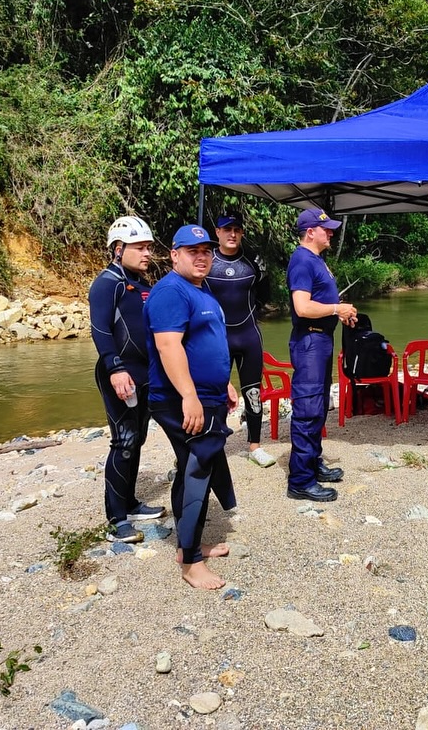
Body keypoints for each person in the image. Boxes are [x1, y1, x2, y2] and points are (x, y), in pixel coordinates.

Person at [145, 224, 239, 589]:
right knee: (198, 468)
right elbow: (169, 347)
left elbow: (207, 342)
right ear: (174, 255)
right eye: (192, 251)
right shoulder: (170, 291)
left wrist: (225, 384)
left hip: (206, 395)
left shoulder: (201, 289)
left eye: (206, 251)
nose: (202, 257)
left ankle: (190, 546)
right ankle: (191, 563)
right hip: (181, 400)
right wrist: (189, 396)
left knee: (192, 466)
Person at [88, 215, 166, 545]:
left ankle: (130, 503)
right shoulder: (107, 283)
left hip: (144, 374)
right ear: (118, 249)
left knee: (137, 439)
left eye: (149, 247)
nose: (147, 253)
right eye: (140, 247)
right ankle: (115, 519)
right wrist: (115, 368)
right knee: (123, 440)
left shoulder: (141, 285)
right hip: (119, 373)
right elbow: (101, 329)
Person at [285, 207, 357, 502]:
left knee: (319, 406)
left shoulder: (315, 261)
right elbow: (302, 307)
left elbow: (319, 302)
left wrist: (340, 313)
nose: (331, 233)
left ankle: (312, 463)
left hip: (321, 339)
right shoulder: (302, 260)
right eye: (325, 229)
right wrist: (336, 309)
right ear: (310, 231)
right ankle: (301, 480)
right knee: (307, 408)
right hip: (310, 342)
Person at [206, 215, 276, 468]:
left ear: (242, 233)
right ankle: (212, 446)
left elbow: (265, 293)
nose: (232, 234)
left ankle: (255, 446)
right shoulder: (206, 261)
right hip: (217, 339)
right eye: (227, 230)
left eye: (236, 230)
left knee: (253, 393)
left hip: (248, 335)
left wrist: (254, 312)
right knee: (214, 394)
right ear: (218, 232)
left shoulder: (253, 261)